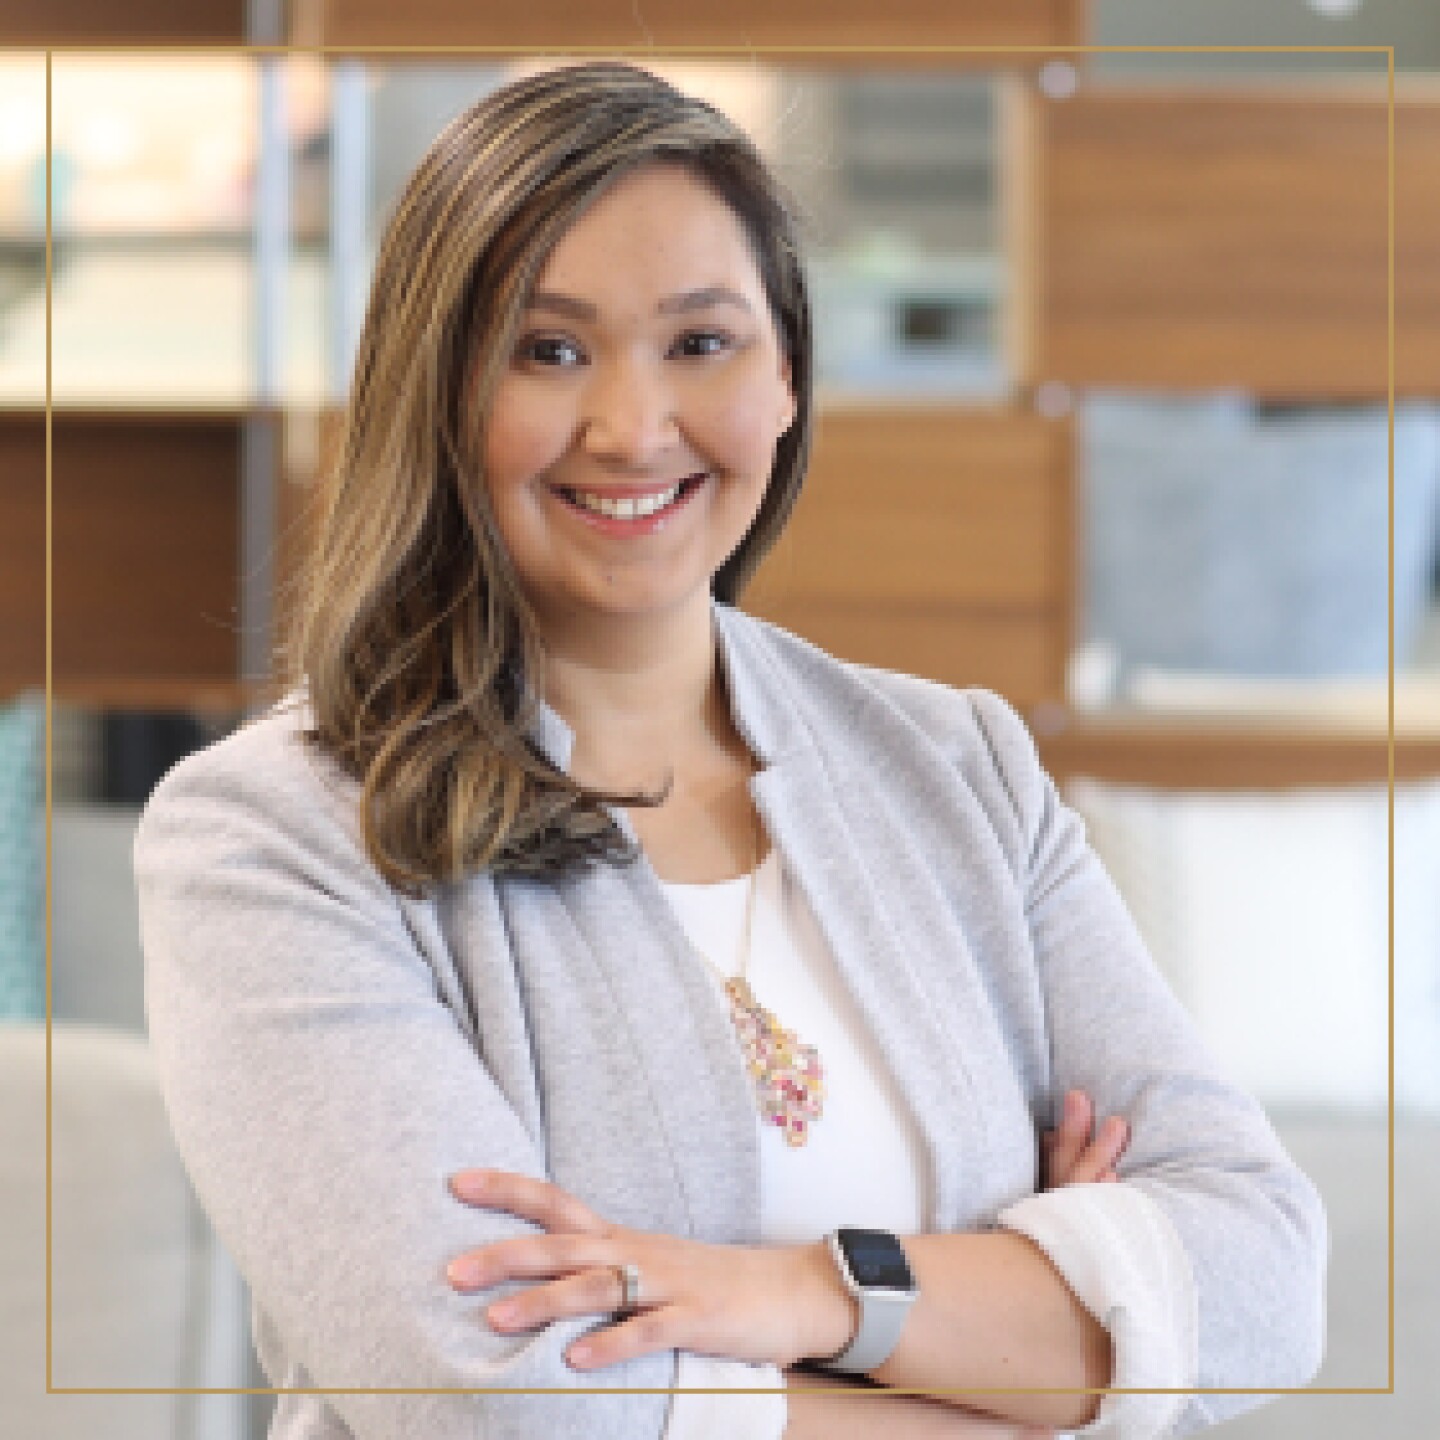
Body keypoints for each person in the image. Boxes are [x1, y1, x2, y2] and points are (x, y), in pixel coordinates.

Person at [133, 59, 1326, 1440]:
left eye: (701, 343)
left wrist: (807, 1298)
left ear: (787, 381)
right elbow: (501, 1405)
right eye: (551, 349)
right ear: (437, 391)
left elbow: (1262, 1286)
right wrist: (1037, 1347)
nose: (634, 428)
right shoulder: (269, 835)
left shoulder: (962, 770)